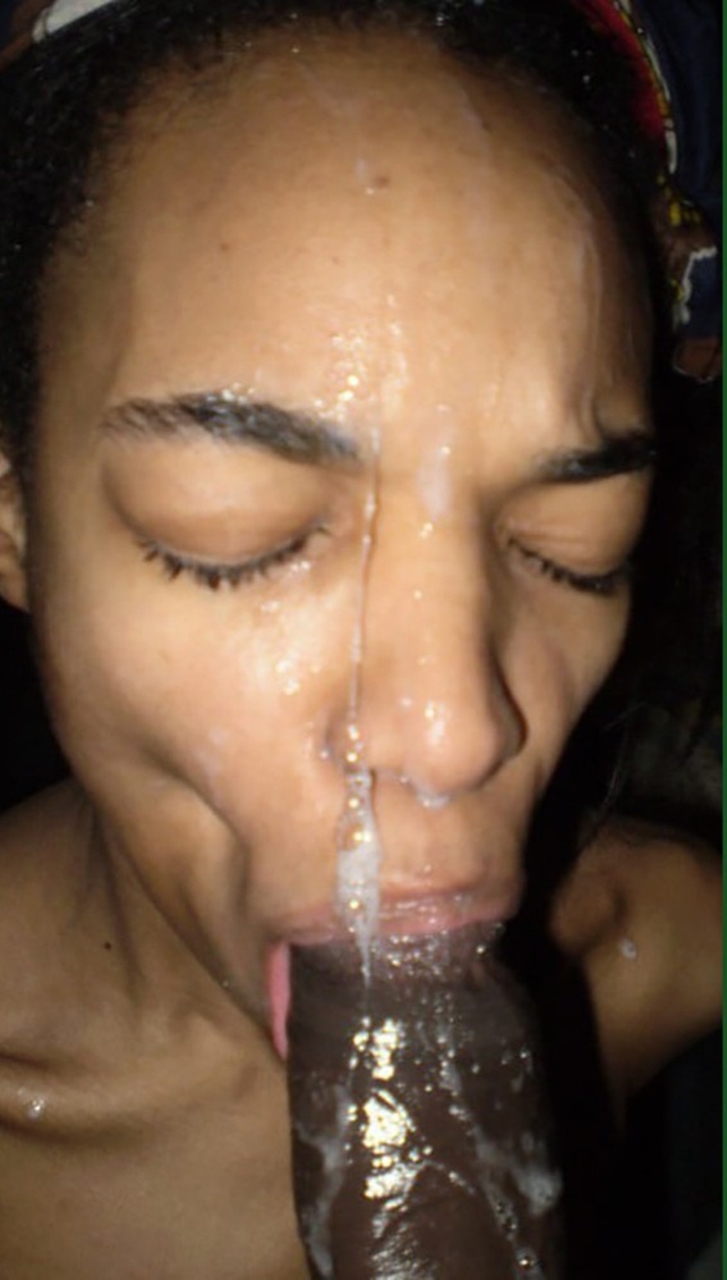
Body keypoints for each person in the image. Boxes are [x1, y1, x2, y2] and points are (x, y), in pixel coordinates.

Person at [0, 1, 720, 1276]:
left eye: (573, 546)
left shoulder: (646, 946)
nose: (457, 732)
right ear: (13, 520)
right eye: (242, 536)